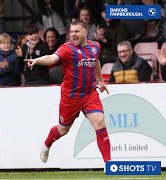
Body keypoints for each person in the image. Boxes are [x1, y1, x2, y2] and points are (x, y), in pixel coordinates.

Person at [25, 20, 111, 166]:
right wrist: (37, 60)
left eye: (76, 31)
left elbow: (95, 61)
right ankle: (46, 144)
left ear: (85, 33)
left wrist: (101, 81)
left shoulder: (95, 46)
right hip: (71, 96)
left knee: (100, 122)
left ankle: (109, 164)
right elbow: (52, 58)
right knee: (63, 130)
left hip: (89, 93)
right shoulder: (67, 49)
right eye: (71, 32)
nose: (73, 34)